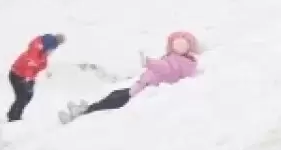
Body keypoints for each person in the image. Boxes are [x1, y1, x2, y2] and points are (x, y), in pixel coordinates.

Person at [61, 32, 200, 123]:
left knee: (113, 100)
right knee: (114, 95)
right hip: (141, 86)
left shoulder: (177, 62)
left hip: (143, 89)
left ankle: (83, 113)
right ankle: (87, 108)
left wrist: (148, 62)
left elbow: (164, 67)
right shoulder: (180, 60)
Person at [7, 33, 66, 121]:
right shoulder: (35, 51)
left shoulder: (43, 52)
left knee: (28, 96)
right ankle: (13, 117)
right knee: (22, 97)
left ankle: (14, 115)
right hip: (17, 75)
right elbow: (29, 65)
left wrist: (33, 79)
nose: (51, 52)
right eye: (51, 49)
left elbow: (40, 65)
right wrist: (27, 80)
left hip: (25, 77)